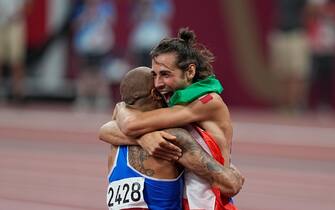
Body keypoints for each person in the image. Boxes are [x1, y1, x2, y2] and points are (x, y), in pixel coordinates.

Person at [100, 28, 240, 210]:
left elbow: (130, 123)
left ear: (190, 71)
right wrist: (145, 138)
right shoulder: (173, 103)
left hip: (210, 204)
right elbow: (105, 130)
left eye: (165, 74)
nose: (158, 84)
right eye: (155, 74)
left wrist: (122, 109)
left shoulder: (206, 102)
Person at [0, 0, 29, 102]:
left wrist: (17, 13)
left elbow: (28, 3)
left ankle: (17, 92)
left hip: (15, 22)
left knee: (16, 59)